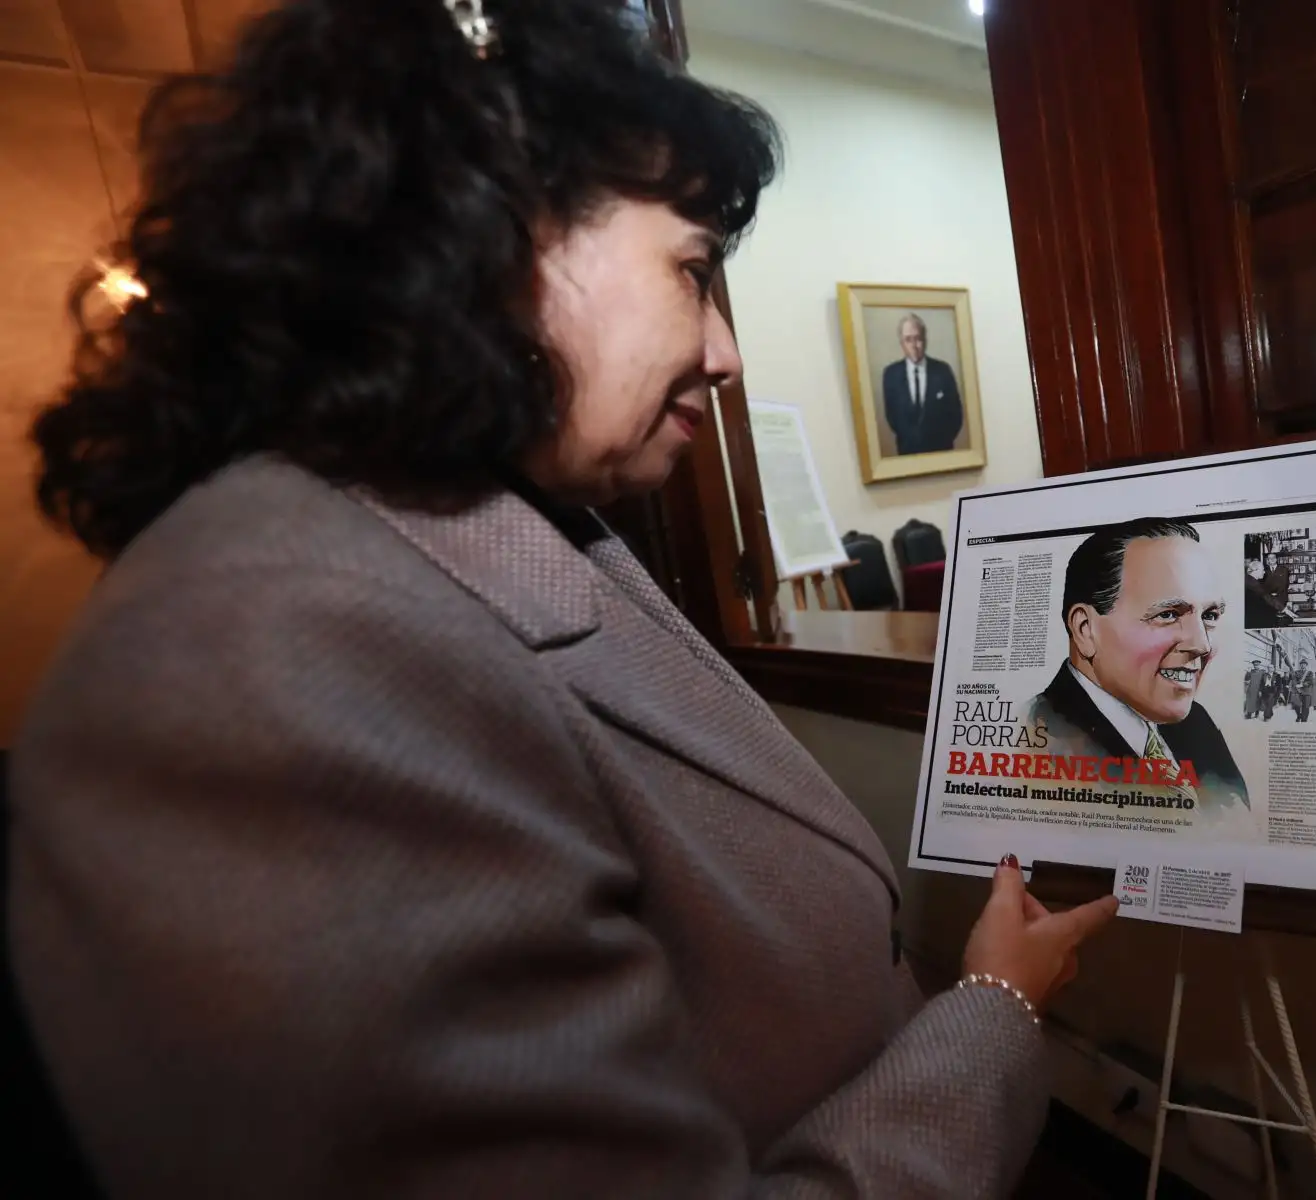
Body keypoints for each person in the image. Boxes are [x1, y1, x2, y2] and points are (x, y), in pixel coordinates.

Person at [6, 4, 1117, 1196]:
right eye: (694, 269)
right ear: (492, 229)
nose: (727, 353)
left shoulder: (510, 527)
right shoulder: (274, 657)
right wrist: (993, 1007)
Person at [1026, 518, 1248, 814]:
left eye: (1209, 616)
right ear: (1085, 630)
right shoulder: (1036, 738)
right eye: (1168, 614)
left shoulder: (1197, 726)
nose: (1202, 645)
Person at [881, 313, 964, 455]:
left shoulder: (943, 371)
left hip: (941, 453)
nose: (914, 346)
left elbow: (956, 415)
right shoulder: (891, 374)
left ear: (925, 340)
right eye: (908, 340)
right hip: (907, 455)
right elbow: (892, 416)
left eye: (918, 339)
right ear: (901, 343)